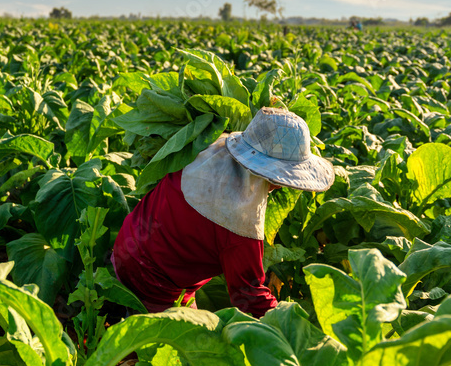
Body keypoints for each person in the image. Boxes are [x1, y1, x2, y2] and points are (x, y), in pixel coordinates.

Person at [111, 107, 335, 318]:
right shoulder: (240, 222)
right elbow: (248, 296)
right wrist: (291, 325)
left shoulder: (210, 145)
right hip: (152, 280)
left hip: (129, 240)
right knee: (163, 352)